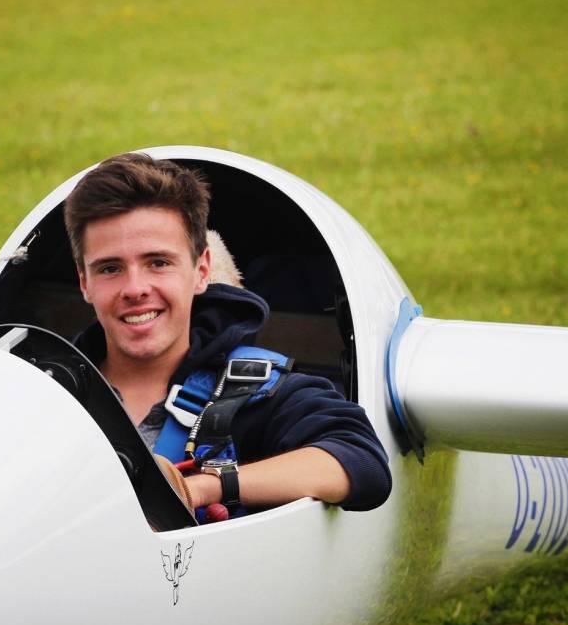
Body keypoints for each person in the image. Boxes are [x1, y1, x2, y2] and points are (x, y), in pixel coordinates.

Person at [65, 153, 391, 518]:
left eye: (158, 262)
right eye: (110, 268)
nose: (135, 288)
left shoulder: (260, 393)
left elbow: (362, 462)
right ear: (84, 283)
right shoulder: (45, 395)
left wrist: (207, 485)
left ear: (201, 270)